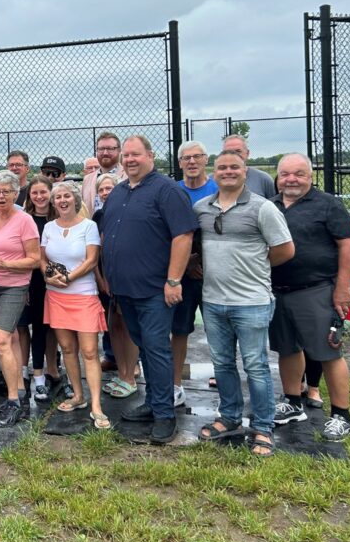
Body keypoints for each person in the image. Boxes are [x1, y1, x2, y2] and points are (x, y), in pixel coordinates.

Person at [194, 150, 294, 457]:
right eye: (221, 167)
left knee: (256, 366)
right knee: (222, 363)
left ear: (245, 171)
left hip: (251, 302)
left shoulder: (263, 208)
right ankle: (230, 417)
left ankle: (262, 427)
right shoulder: (201, 209)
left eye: (234, 167)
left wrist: (254, 268)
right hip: (212, 301)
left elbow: (284, 249)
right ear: (214, 173)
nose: (227, 172)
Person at [99, 136, 198, 445]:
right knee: (144, 346)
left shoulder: (167, 190)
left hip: (154, 289)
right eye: (126, 155)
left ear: (150, 156)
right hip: (124, 290)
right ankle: (153, 402)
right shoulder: (118, 191)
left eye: (135, 154)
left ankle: (165, 415)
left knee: (156, 349)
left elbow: (183, 236)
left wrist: (173, 280)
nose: (129, 159)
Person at [270, 153, 350, 441]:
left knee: (327, 352)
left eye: (298, 174)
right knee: (288, 349)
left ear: (310, 176)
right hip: (279, 291)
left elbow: (347, 244)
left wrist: (343, 287)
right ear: (278, 176)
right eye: (285, 174)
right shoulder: (270, 207)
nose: (291, 179)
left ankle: (341, 415)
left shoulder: (328, 204)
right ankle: (293, 402)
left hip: (317, 290)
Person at [42, 181, 110, 429]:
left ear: (75, 199)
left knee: (90, 352)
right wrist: (49, 275)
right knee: (68, 349)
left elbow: (92, 260)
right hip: (56, 296)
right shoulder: (49, 227)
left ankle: (96, 405)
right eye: (58, 197)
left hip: (83, 294)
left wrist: (69, 278)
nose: (62, 200)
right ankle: (78, 396)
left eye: (67, 196)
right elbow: (42, 259)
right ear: (54, 202)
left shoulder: (89, 226)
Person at [0, 170, 41, 427]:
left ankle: (14, 401)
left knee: (1, 340)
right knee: (13, 338)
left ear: (16, 193)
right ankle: (21, 394)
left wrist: (6, 263)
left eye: (7, 191)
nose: (1, 196)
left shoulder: (25, 220)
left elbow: (35, 259)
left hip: (14, 287)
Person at [172, 141, 218, 408]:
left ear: (205, 159)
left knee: (220, 330)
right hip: (182, 274)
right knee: (178, 330)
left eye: (197, 157)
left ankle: (225, 378)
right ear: (179, 163)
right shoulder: (172, 191)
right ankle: (175, 385)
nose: (191, 162)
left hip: (213, 274)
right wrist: (185, 263)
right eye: (186, 158)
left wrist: (201, 259)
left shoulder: (218, 189)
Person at [96, 175, 139, 400]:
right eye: (101, 189)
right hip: (107, 278)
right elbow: (97, 250)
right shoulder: (99, 215)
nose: (105, 192)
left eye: (109, 188)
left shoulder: (128, 211)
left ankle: (130, 373)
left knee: (128, 325)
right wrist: (102, 278)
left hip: (126, 277)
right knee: (114, 326)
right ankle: (121, 371)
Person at [23, 174, 62, 401]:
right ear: (30, 195)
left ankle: (54, 370)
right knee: (38, 328)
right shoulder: (26, 219)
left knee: (56, 329)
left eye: (43, 192)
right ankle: (37, 373)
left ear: (51, 193)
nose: (39, 196)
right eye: (35, 192)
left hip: (59, 281)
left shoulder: (62, 218)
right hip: (35, 283)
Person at [81, 132, 126, 213]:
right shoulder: (87, 180)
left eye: (110, 149)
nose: (105, 153)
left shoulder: (129, 177)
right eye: (101, 149)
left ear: (120, 150)